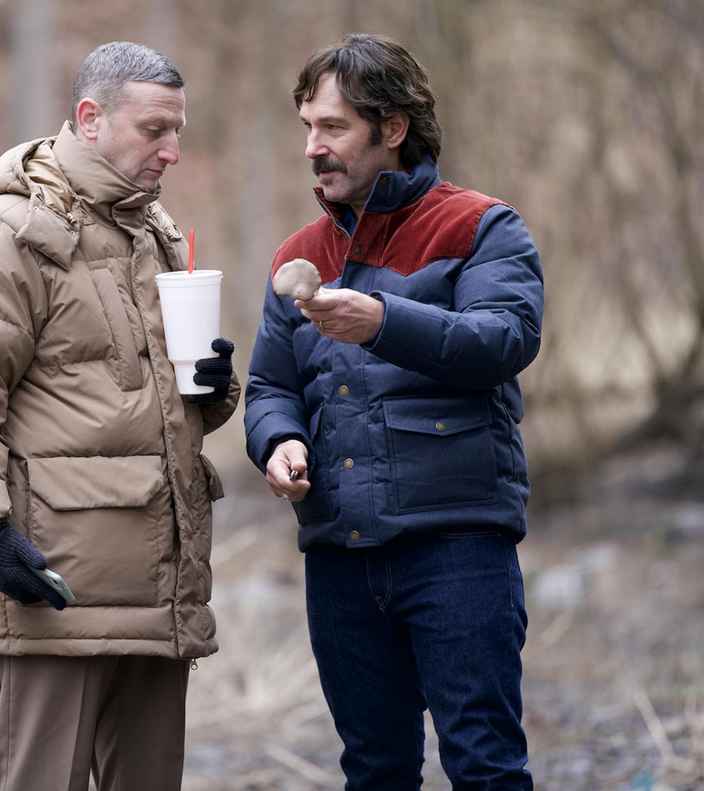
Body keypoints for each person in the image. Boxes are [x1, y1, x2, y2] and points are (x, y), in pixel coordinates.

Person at [0, 41, 238, 791]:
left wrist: (210, 389)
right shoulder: (8, 234)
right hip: (53, 585)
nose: (174, 151)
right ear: (90, 118)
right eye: (154, 130)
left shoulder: (151, 232)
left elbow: (137, 407)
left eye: (178, 130)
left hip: (158, 587)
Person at [245, 34, 543, 790]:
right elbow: (270, 387)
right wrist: (277, 442)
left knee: (484, 763)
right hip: (339, 555)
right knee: (374, 770)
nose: (314, 147)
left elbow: (504, 339)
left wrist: (382, 320)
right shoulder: (297, 255)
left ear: (394, 127)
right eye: (308, 127)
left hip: (458, 546)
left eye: (334, 127)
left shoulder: (481, 226)